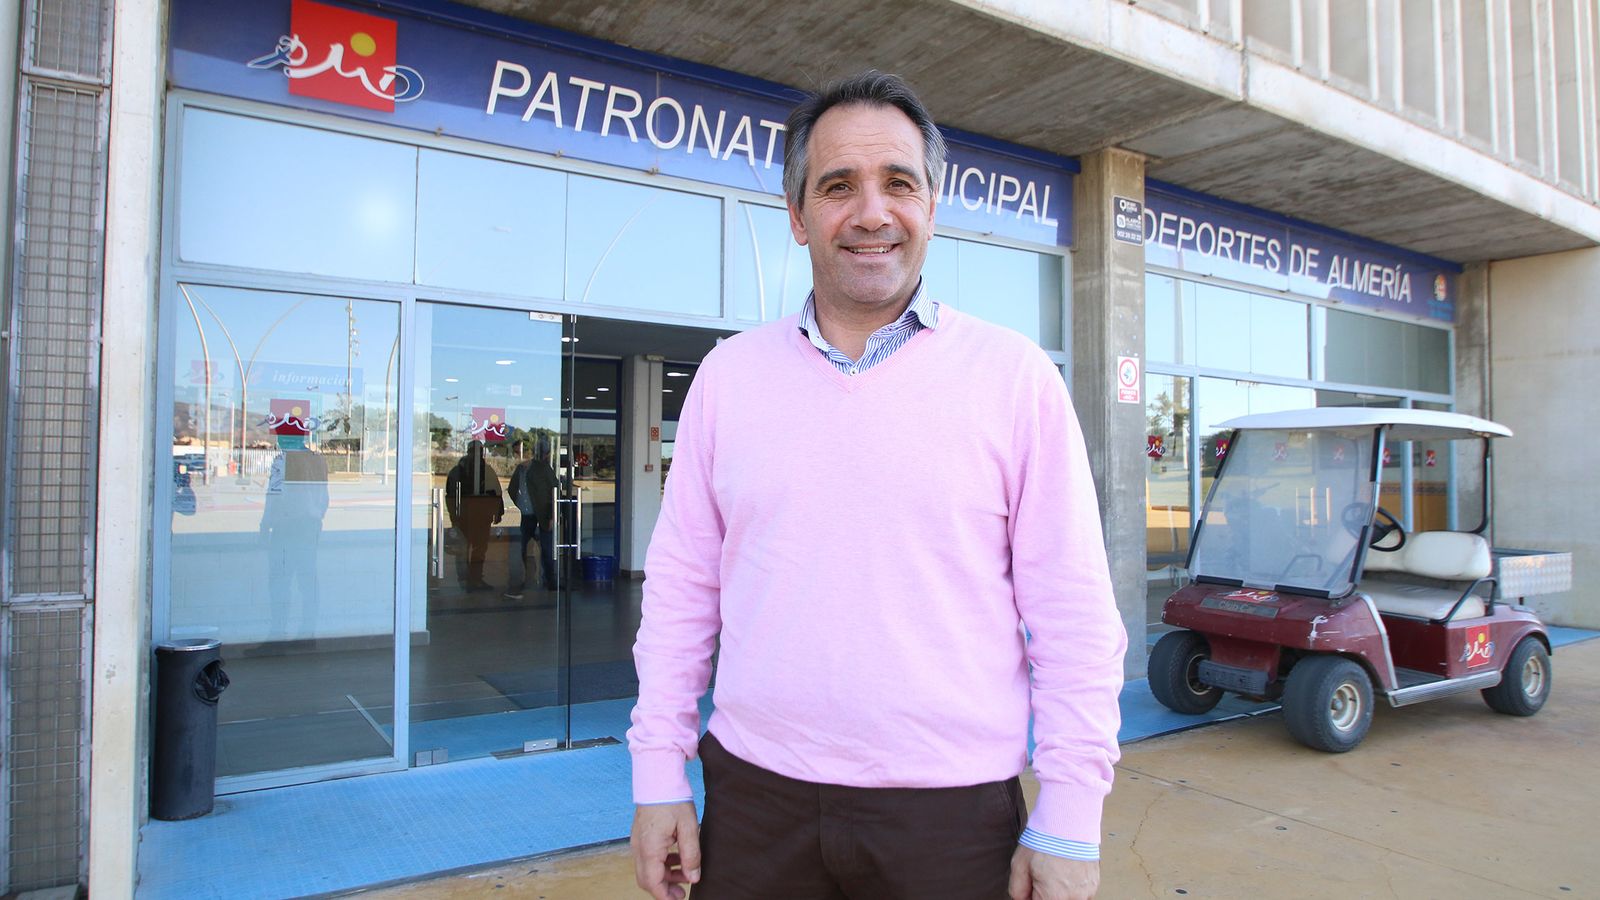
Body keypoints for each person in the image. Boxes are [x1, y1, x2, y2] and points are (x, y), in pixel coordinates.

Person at [627, 72, 1127, 900]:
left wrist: (1071, 816)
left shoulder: (1015, 379)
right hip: (753, 806)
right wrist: (657, 776)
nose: (870, 213)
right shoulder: (727, 377)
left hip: (952, 822)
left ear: (933, 204)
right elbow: (682, 591)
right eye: (837, 186)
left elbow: (1072, 614)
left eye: (899, 183)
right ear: (796, 217)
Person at [445, 439, 503, 592]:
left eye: (479, 451)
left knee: (478, 549)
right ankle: (467, 580)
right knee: (465, 548)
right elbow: (451, 496)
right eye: (476, 451)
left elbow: (496, 492)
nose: (478, 454)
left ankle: (474, 579)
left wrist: (497, 512)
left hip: (480, 516)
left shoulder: (485, 470)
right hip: (467, 516)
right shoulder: (459, 471)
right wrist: (454, 517)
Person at [505, 436, 560, 598]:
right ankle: (523, 580)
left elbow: (555, 491)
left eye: (519, 453)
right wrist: (518, 506)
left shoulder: (542, 469)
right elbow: (512, 489)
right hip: (526, 515)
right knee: (522, 550)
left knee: (547, 550)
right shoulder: (519, 471)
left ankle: (550, 580)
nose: (517, 456)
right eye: (515, 453)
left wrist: (552, 516)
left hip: (542, 515)